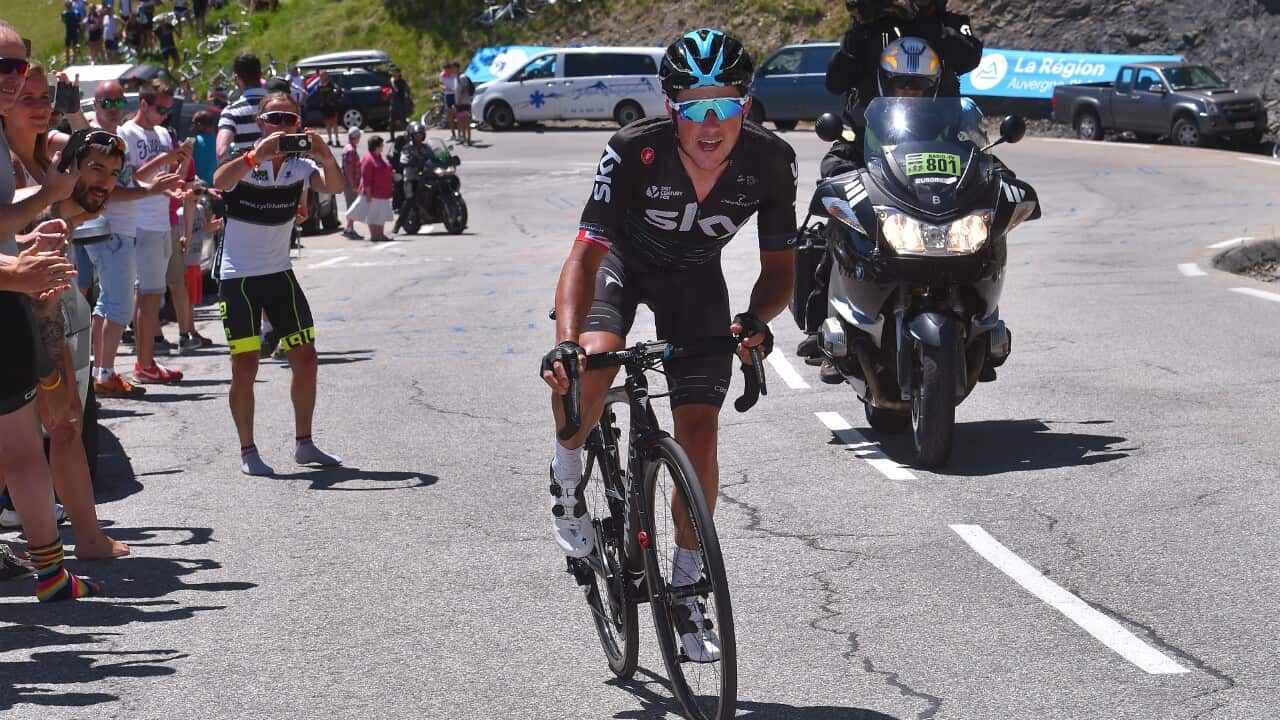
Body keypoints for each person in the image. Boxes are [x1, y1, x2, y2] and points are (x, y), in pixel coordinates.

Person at [539, 28, 796, 663]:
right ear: (670, 105)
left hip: (695, 280)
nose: (710, 123)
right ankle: (567, 471)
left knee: (700, 430)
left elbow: (781, 273)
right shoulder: (632, 150)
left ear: (747, 102)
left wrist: (756, 319)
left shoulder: (771, 160)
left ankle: (686, 587)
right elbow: (582, 258)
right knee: (593, 360)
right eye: (694, 106)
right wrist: (565, 344)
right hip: (621, 265)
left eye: (726, 104)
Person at [795, 0, 983, 373]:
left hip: (939, 143)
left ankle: (980, 318)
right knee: (839, 204)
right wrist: (860, 32)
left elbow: (968, 57)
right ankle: (829, 323)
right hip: (867, 141)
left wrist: (925, 25)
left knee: (987, 194)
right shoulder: (870, 30)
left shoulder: (952, 26)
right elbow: (835, 79)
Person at [0, 18, 102, 601]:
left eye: (24, 66)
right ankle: (56, 566)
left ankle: (52, 569)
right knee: (34, 438)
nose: (18, 85)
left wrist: (36, 231)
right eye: (7, 70)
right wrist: (18, 262)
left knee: (29, 440)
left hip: (20, 305)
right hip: (15, 298)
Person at [211, 91, 345, 476]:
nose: (281, 126)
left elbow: (334, 187)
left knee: (307, 358)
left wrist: (323, 152)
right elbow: (220, 181)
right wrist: (257, 154)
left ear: (298, 124)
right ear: (260, 121)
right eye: (274, 118)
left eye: (289, 119)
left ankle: (304, 444)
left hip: (279, 273)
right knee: (245, 365)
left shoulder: (300, 166)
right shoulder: (247, 159)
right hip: (239, 278)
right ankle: (248, 450)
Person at [87, 80, 183, 397]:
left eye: (119, 102)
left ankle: (102, 370)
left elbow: (129, 179)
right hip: (116, 228)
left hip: (128, 226)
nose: (115, 108)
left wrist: (167, 187)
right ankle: (111, 371)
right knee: (121, 304)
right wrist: (153, 187)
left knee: (112, 302)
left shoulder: (133, 135)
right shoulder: (112, 136)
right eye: (107, 102)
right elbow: (112, 189)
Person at [118, 79, 190, 384]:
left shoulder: (162, 133)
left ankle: (146, 361)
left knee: (152, 294)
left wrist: (179, 176)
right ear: (143, 105)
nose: (164, 115)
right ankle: (144, 363)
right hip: (142, 220)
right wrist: (164, 160)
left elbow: (170, 176)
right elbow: (129, 177)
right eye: (159, 109)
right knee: (148, 295)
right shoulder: (126, 133)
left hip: (163, 218)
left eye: (167, 110)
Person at [216, 53, 265, 161]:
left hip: (247, 175)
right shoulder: (283, 107)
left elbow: (221, 152)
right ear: (261, 75)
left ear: (237, 78)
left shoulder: (232, 112)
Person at [346, 134, 393, 241]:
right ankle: (375, 235)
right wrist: (368, 194)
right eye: (381, 145)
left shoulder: (378, 157)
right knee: (373, 216)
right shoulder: (368, 159)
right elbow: (366, 179)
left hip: (381, 193)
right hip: (372, 193)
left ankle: (380, 234)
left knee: (381, 216)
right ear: (376, 146)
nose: (382, 147)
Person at [340, 125, 362, 240]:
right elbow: (348, 168)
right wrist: (353, 184)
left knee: (351, 205)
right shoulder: (351, 150)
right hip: (350, 183)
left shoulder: (348, 148)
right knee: (352, 206)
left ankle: (349, 227)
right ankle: (349, 228)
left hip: (349, 182)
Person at [313, 70, 343, 147]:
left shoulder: (331, 84)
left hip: (332, 106)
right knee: (327, 123)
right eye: (321, 76)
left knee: (334, 123)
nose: (322, 77)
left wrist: (335, 92)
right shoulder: (319, 86)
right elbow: (316, 94)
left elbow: (337, 90)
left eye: (323, 75)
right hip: (324, 107)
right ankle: (330, 139)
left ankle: (337, 139)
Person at [388, 65, 411, 140]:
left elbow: (397, 91)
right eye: (392, 72)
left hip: (401, 104)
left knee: (403, 121)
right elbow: (392, 91)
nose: (393, 74)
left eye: (395, 72)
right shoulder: (392, 81)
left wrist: (392, 83)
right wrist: (389, 92)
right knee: (391, 121)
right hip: (393, 103)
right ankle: (392, 138)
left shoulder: (402, 82)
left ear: (398, 73)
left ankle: (409, 135)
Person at [439, 62, 458, 140]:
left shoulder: (454, 74)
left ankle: (460, 133)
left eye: (448, 70)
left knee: (458, 114)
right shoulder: (442, 74)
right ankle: (453, 134)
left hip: (455, 94)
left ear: (450, 69)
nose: (446, 72)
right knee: (449, 115)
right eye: (445, 70)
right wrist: (444, 87)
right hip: (448, 95)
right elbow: (441, 84)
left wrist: (455, 89)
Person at [455, 71, 474, 146]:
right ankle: (464, 138)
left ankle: (468, 139)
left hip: (464, 103)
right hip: (459, 104)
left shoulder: (463, 77)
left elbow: (465, 88)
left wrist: (460, 99)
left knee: (466, 122)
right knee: (461, 122)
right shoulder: (455, 78)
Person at [61, 0, 82, 65]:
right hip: (69, 32)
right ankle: (68, 61)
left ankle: (73, 61)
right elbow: (63, 20)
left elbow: (79, 21)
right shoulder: (65, 13)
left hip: (74, 31)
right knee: (68, 47)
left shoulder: (75, 12)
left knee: (73, 47)